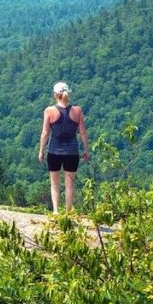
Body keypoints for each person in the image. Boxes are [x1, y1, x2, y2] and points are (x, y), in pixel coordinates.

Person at [37, 81, 90, 213]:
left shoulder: (49, 111)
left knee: (54, 184)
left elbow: (45, 133)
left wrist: (41, 151)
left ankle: (55, 212)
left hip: (54, 152)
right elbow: (82, 132)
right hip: (72, 152)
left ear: (55, 94)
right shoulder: (77, 111)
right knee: (69, 184)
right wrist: (86, 150)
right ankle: (68, 212)